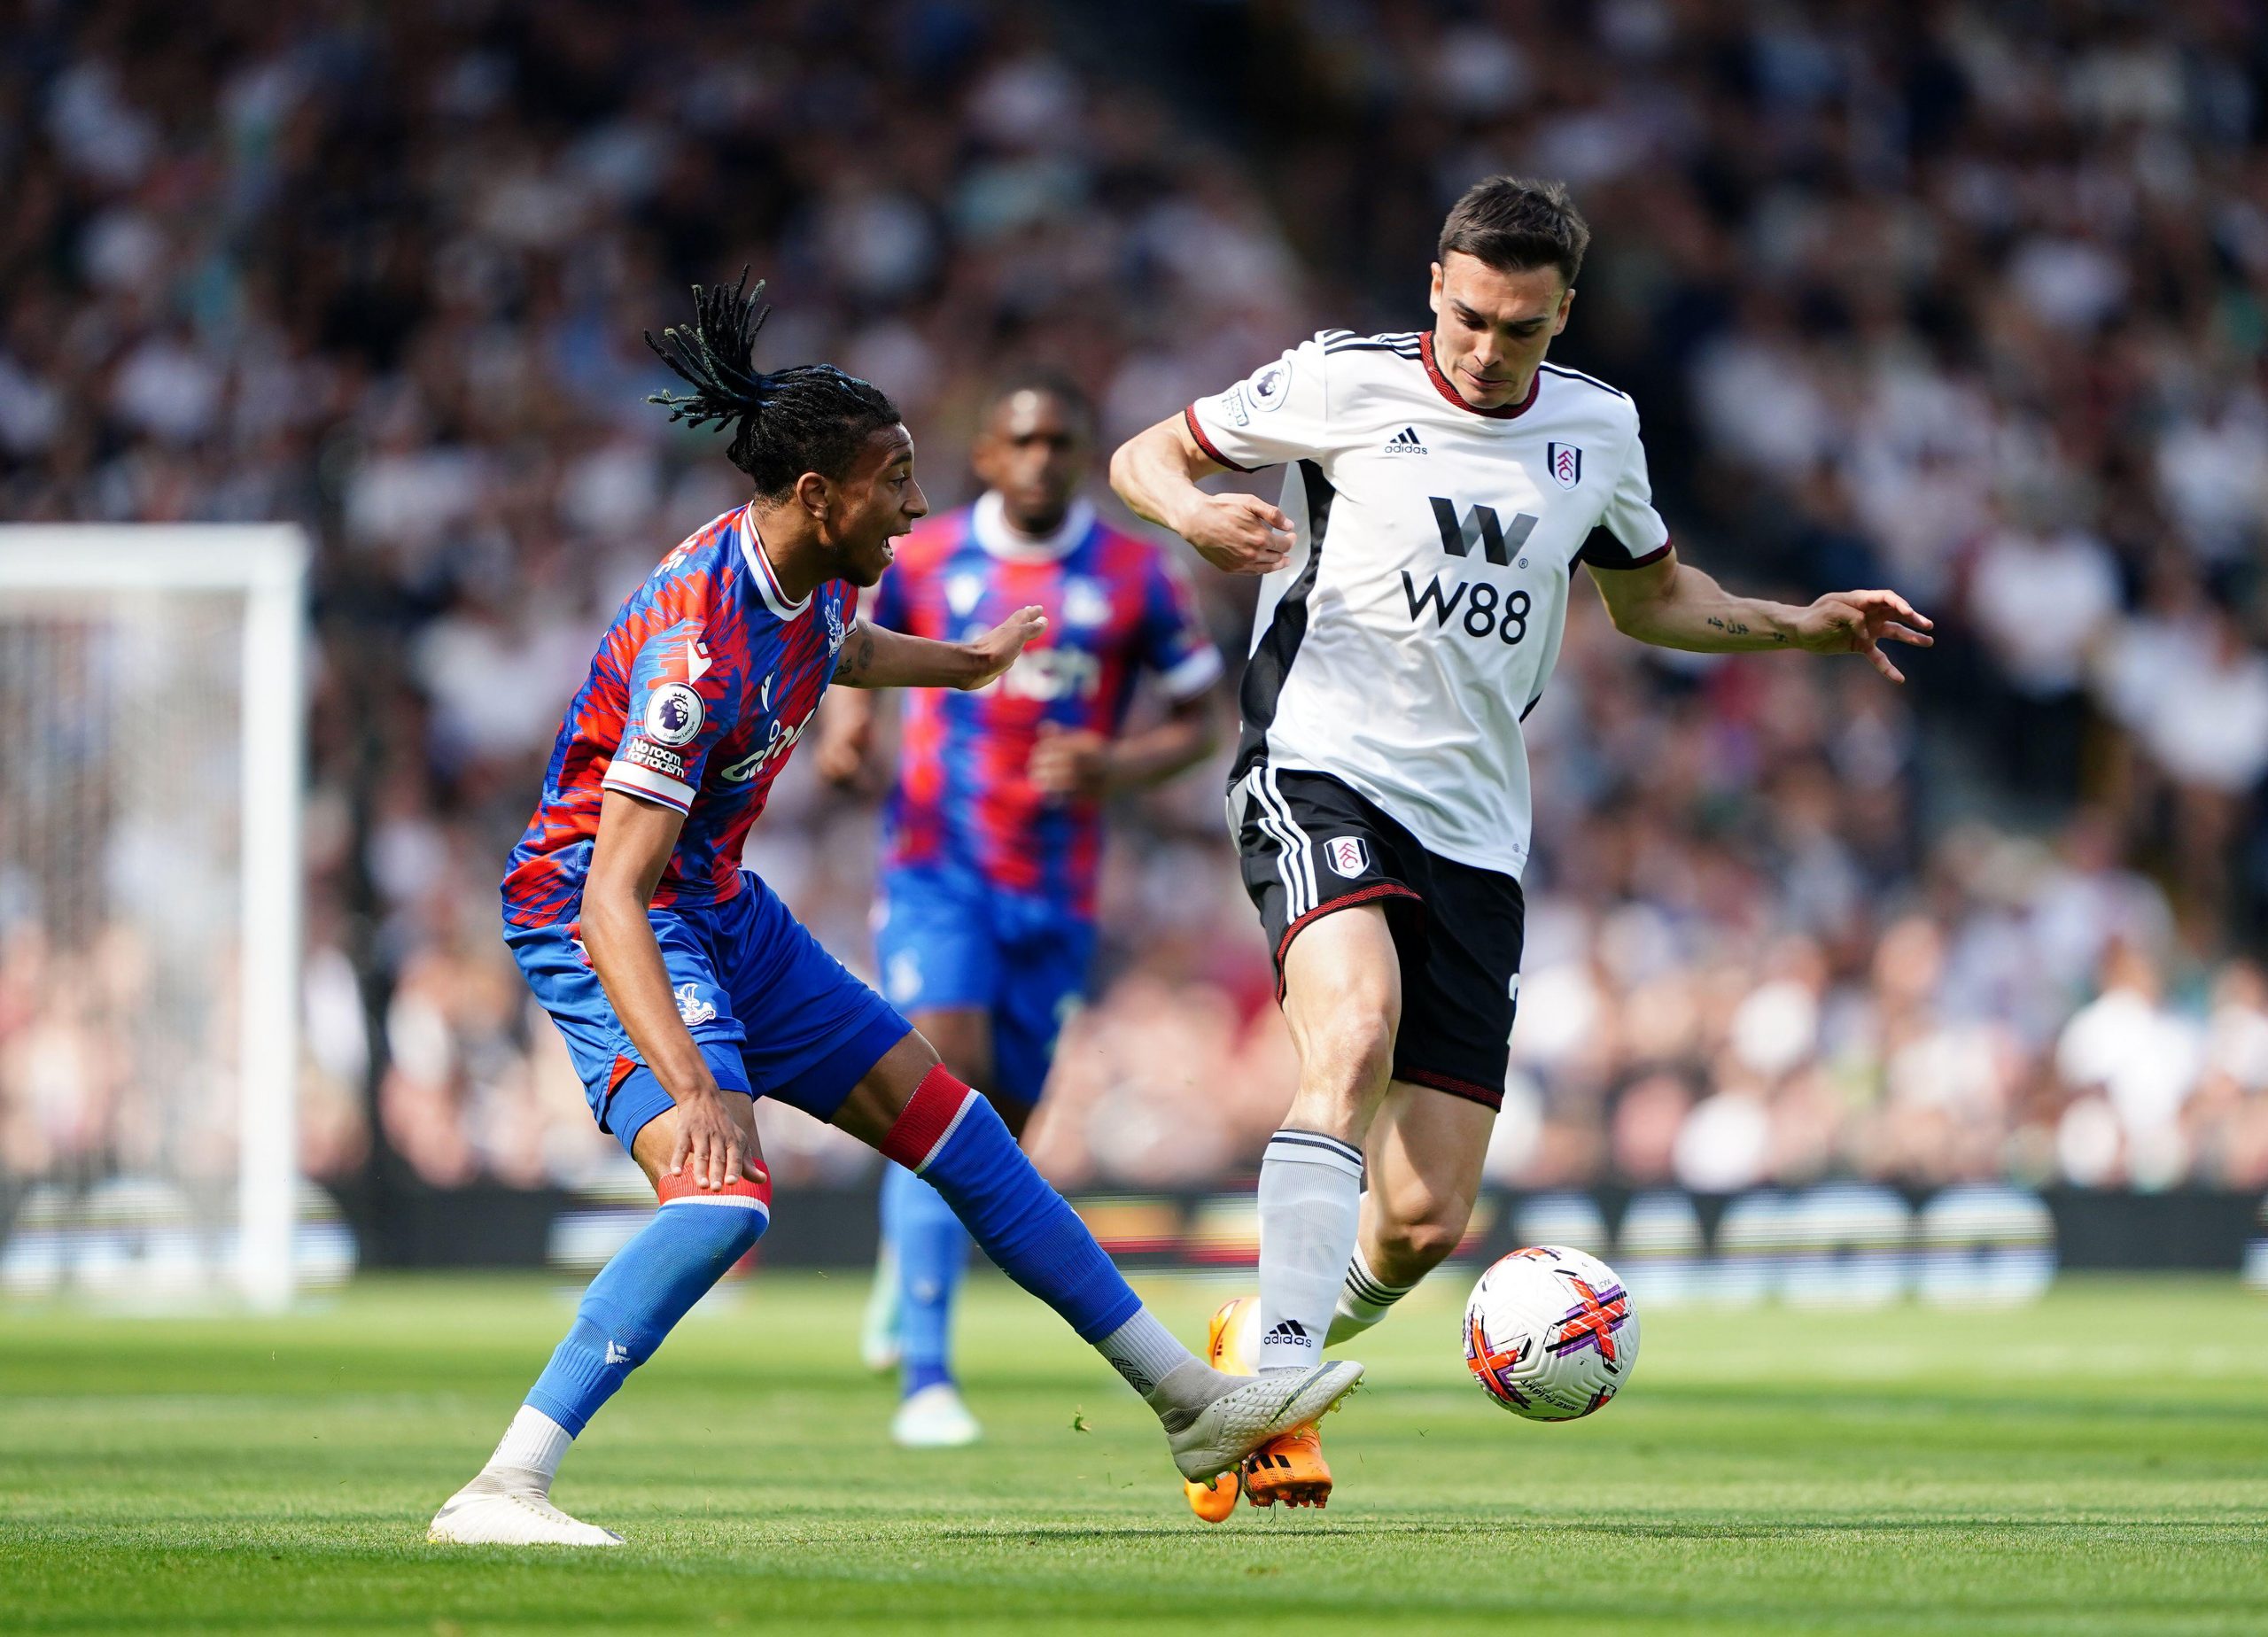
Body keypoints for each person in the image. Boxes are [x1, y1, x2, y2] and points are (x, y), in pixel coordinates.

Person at [427, 274, 1358, 1547]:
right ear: (821, 495)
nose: (920, 508)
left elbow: (844, 648)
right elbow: (608, 893)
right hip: (612, 921)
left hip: (721, 909)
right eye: (898, 480)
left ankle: (1192, 1402)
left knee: (961, 1133)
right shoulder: (693, 658)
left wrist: (962, 664)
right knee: (721, 1197)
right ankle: (502, 1487)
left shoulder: (804, 578)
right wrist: (692, 1081)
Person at [1109, 177, 1932, 1519]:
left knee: (1426, 1220)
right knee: (1353, 1033)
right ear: (1438, 282)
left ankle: (1263, 1335)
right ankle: (1276, 1398)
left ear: (1564, 317)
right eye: (1476, 318)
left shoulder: (1597, 427)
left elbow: (1655, 598)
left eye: (1525, 331)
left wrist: (1804, 625)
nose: (1493, 353)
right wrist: (1193, 516)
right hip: (1317, 765)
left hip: (1478, 831)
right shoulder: (1343, 383)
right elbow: (1144, 454)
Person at [813, 372, 1224, 1448]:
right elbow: (849, 649)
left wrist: (1112, 764)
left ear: (1080, 455)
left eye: (1058, 441)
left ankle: (909, 1268)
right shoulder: (930, 552)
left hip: (1056, 888)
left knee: (1001, 1137)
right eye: (1021, 439)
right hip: (936, 869)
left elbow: (1196, 720)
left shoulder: (1136, 576)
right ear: (988, 456)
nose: (1040, 457)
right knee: (938, 1092)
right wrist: (845, 736)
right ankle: (928, 1379)